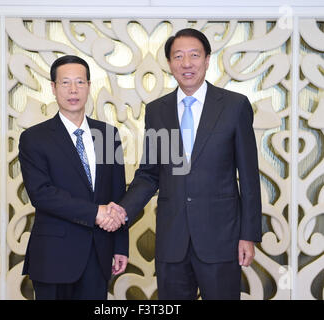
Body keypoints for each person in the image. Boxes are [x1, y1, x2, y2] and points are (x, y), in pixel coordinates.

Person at [115, 28, 262, 300]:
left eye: (194, 55)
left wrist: (249, 235)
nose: (186, 63)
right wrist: (121, 211)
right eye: (178, 56)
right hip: (172, 240)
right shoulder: (157, 110)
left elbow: (249, 177)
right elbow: (150, 174)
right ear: (170, 64)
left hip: (221, 239)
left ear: (207, 60)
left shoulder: (234, 106)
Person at [18, 55, 128, 300]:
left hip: (99, 253)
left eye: (79, 82)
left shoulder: (108, 134)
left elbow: (117, 194)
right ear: (53, 88)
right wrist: (95, 213)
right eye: (65, 83)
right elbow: (42, 194)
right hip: (53, 257)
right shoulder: (34, 138)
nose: (73, 89)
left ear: (89, 86)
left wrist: (120, 246)